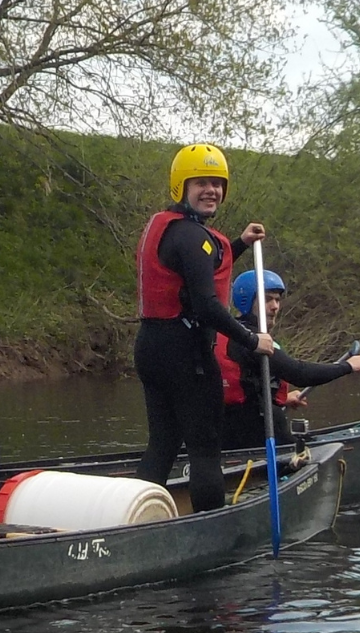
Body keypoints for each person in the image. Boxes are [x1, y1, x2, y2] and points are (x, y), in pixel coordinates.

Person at [134, 143, 274, 512]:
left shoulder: (172, 229)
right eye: (201, 183)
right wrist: (251, 338)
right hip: (187, 355)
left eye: (217, 183)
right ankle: (209, 528)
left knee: (162, 443)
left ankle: (129, 517)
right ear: (182, 186)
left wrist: (241, 243)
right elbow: (207, 304)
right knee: (205, 448)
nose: (211, 190)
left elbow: (201, 270)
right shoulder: (192, 235)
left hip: (152, 347)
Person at [217, 270, 360, 450]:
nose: (275, 306)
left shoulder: (235, 333)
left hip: (238, 429)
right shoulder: (252, 340)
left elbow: (249, 386)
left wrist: (283, 398)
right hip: (254, 435)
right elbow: (299, 374)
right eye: (267, 299)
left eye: (277, 300)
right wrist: (346, 366)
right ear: (247, 302)